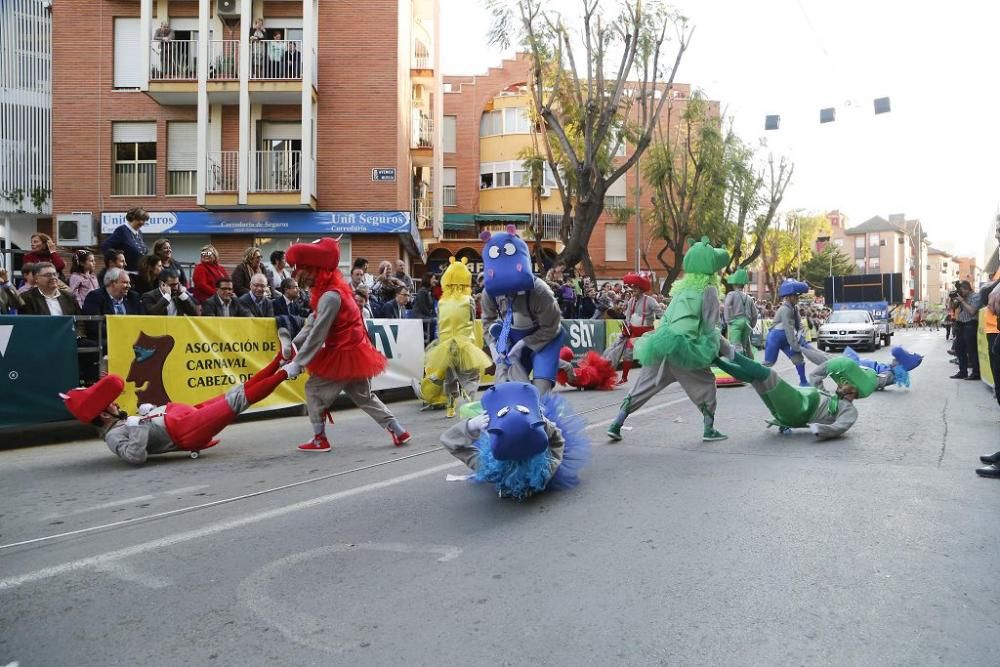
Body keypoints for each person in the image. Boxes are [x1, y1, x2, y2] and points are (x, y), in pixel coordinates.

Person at [61, 344, 293, 464]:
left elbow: (140, 428)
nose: (114, 404)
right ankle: (287, 372)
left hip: (178, 417)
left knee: (237, 391)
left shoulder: (118, 422)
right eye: (109, 405)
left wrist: (147, 413)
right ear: (103, 416)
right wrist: (139, 424)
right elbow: (135, 456)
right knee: (238, 400)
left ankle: (279, 361)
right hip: (182, 431)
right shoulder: (112, 437)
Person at [281, 237, 411, 452]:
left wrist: (297, 363)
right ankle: (398, 430)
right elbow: (312, 322)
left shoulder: (330, 296)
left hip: (342, 354)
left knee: (313, 389)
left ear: (315, 270)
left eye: (303, 272)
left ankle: (319, 439)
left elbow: (318, 334)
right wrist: (293, 347)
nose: (300, 278)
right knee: (365, 397)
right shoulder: (335, 291)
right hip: (356, 354)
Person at [607, 237, 732, 443]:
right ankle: (709, 429)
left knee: (643, 387)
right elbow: (710, 327)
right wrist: (727, 350)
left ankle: (616, 423)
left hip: (661, 343)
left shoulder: (681, 288)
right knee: (707, 384)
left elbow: (668, 317)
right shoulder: (708, 289)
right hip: (685, 349)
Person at [439, 382, 589, 500]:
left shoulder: (490, 470)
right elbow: (558, 442)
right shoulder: (545, 472)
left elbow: (449, 441)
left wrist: (472, 425)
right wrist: (544, 424)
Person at [480, 226, 563, 395]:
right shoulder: (489, 292)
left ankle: (567, 371)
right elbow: (488, 323)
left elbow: (552, 327)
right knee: (507, 389)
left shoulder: (541, 291)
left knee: (540, 392)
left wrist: (525, 343)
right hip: (510, 337)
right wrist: (495, 349)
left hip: (544, 338)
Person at [716, 351, 876, 439]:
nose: (841, 384)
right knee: (756, 379)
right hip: (796, 405)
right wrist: (832, 365)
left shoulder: (849, 410)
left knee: (768, 375)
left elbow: (840, 426)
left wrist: (819, 429)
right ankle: (717, 361)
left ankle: (729, 352)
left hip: (800, 408)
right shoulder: (828, 395)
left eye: (846, 383)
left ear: (854, 390)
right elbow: (815, 376)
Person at [412, 257, 492, 417]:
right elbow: (470, 318)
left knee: (450, 377)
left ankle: (450, 408)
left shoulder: (442, 302)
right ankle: (471, 407)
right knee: (470, 377)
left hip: (445, 345)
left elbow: (440, 323)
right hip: (464, 343)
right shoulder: (468, 300)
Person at [602, 272, 662, 384]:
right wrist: (626, 327)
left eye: (635, 288)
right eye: (632, 288)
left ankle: (654, 375)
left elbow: (661, 314)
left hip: (647, 332)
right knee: (627, 352)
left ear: (641, 289)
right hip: (633, 332)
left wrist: (665, 323)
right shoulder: (631, 301)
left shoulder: (650, 301)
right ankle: (624, 378)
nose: (632, 290)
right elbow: (628, 317)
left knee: (650, 355)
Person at [763, 279, 812, 386]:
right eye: (795, 296)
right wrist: (795, 345)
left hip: (785, 338)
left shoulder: (794, 308)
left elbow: (799, 325)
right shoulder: (785, 309)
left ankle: (803, 381)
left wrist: (801, 339)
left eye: (798, 296)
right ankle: (757, 379)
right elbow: (789, 329)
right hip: (775, 338)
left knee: (798, 359)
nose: (797, 298)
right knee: (769, 362)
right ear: (789, 297)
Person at [950, 280, 982, 380]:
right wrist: (953, 300)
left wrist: (962, 301)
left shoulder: (976, 296)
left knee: (971, 350)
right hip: (961, 326)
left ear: (967, 289)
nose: (961, 293)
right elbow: (953, 308)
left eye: (962, 290)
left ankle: (976, 373)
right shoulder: (962, 297)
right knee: (959, 349)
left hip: (971, 325)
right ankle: (963, 372)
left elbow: (972, 311)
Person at [723, 268, 759, 358]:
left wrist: (728, 320)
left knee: (736, 346)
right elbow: (755, 314)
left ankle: (740, 366)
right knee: (744, 346)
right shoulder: (749, 298)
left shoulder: (731, 294)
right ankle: (749, 363)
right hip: (747, 323)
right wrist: (751, 325)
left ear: (734, 284)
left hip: (735, 322)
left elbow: (727, 306)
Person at [101, 207, 148, 273]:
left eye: (144, 220)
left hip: (139, 273)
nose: (142, 222)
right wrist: (116, 263)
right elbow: (105, 247)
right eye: (140, 220)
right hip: (126, 273)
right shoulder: (122, 231)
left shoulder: (139, 233)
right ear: (132, 218)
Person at [412, 273, 438, 343]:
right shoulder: (422, 291)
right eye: (433, 279)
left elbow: (432, 309)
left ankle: (432, 342)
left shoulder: (429, 292)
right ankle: (431, 342)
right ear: (428, 279)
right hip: (419, 316)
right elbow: (423, 308)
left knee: (436, 320)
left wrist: (436, 316)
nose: (435, 281)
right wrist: (432, 317)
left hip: (426, 316)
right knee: (433, 321)